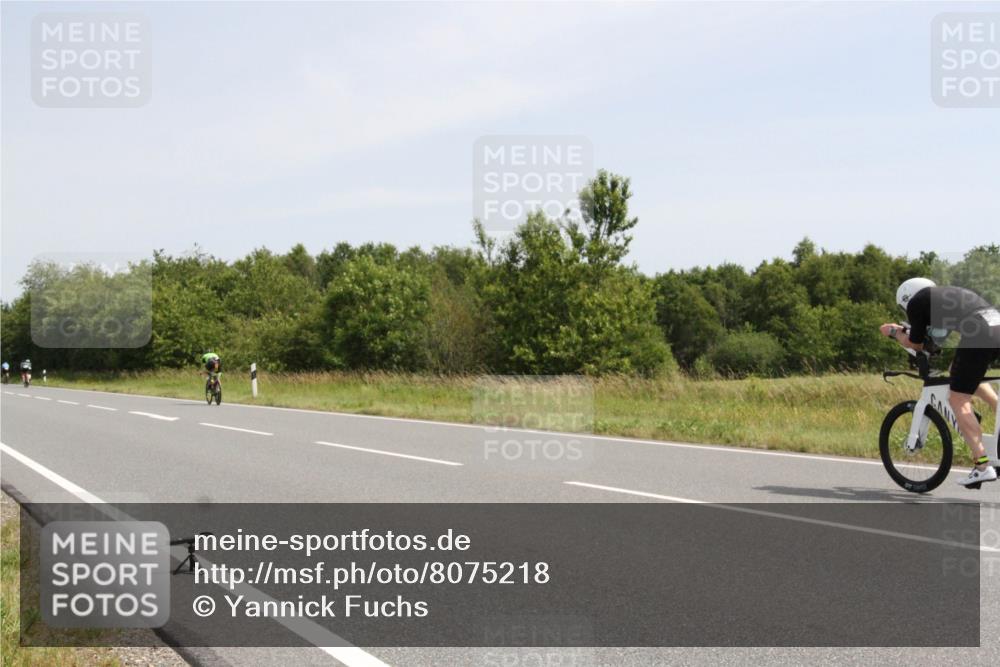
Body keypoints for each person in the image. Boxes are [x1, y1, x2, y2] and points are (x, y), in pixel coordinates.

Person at [881, 278, 1000, 487]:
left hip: (980, 332)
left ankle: (982, 466)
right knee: (958, 370)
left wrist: (894, 332)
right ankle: (996, 405)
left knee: (957, 399)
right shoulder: (943, 296)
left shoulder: (917, 303)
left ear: (906, 298)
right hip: (995, 325)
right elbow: (937, 341)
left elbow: (917, 345)